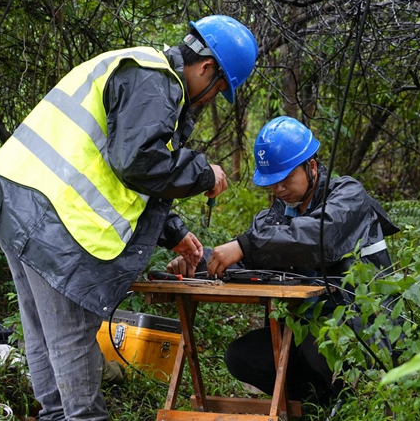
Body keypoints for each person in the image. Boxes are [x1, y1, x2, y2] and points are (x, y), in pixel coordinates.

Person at [0, 15, 258, 420]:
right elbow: (138, 162)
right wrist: (205, 172)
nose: (210, 98)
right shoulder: (158, 82)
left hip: (17, 197)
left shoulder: (138, 67)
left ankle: (55, 415)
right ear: (207, 68)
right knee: (71, 338)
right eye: (219, 88)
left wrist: (175, 234)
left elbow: (129, 172)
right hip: (54, 218)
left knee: (44, 334)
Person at [168, 116, 399, 405]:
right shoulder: (275, 216)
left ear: (311, 167)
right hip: (303, 331)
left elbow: (317, 239)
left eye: (286, 178)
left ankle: (357, 401)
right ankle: (314, 406)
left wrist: (244, 245)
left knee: (321, 343)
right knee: (242, 357)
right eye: (273, 182)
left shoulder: (348, 196)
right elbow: (248, 260)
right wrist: (201, 262)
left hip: (365, 331)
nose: (279, 189)